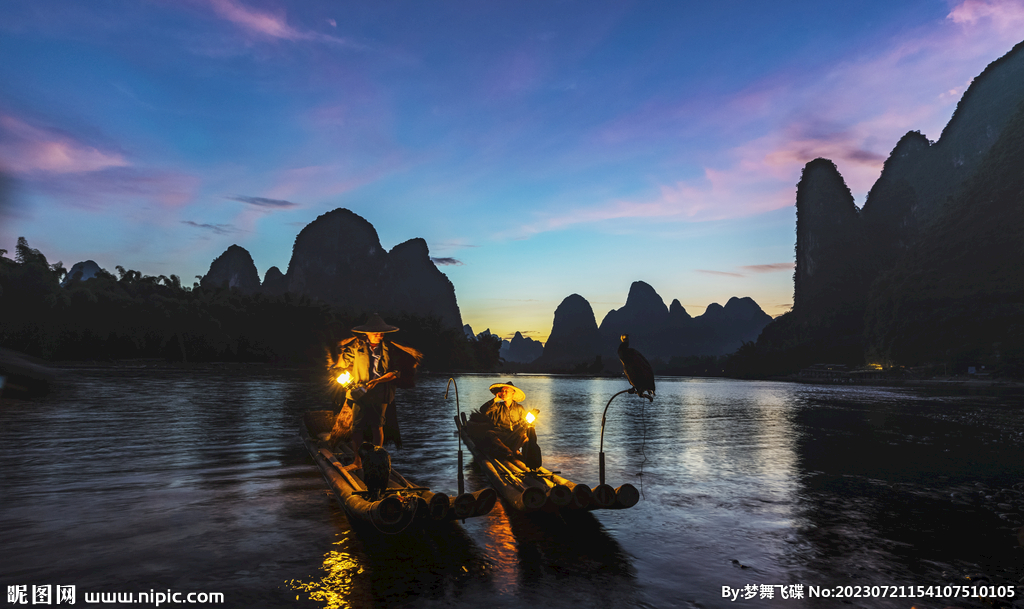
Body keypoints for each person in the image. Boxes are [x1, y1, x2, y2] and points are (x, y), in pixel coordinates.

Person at [329, 314, 422, 469]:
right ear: (367, 333)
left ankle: (376, 461)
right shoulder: (356, 348)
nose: (379, 334)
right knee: (356, 427)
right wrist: (339, 352)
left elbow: (395, 372)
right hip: (359, 391)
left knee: (377, 426)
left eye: (381, 332)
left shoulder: (390, 349)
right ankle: (357, 462)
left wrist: (377, 381)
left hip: (381, 392)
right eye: (375, 332)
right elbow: (342, 364)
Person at [467, 381, 534, 459]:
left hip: (514, 437)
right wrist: (495, 399)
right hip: (500, 437)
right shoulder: (497, 407)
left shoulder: (519, 408)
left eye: (506, 391)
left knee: (525, 435)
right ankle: (507, 450)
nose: (504, 393)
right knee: (490, 433)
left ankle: (515, 450)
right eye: (502, 391)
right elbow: (483, 410)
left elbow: (524, 422)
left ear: (513, 393)